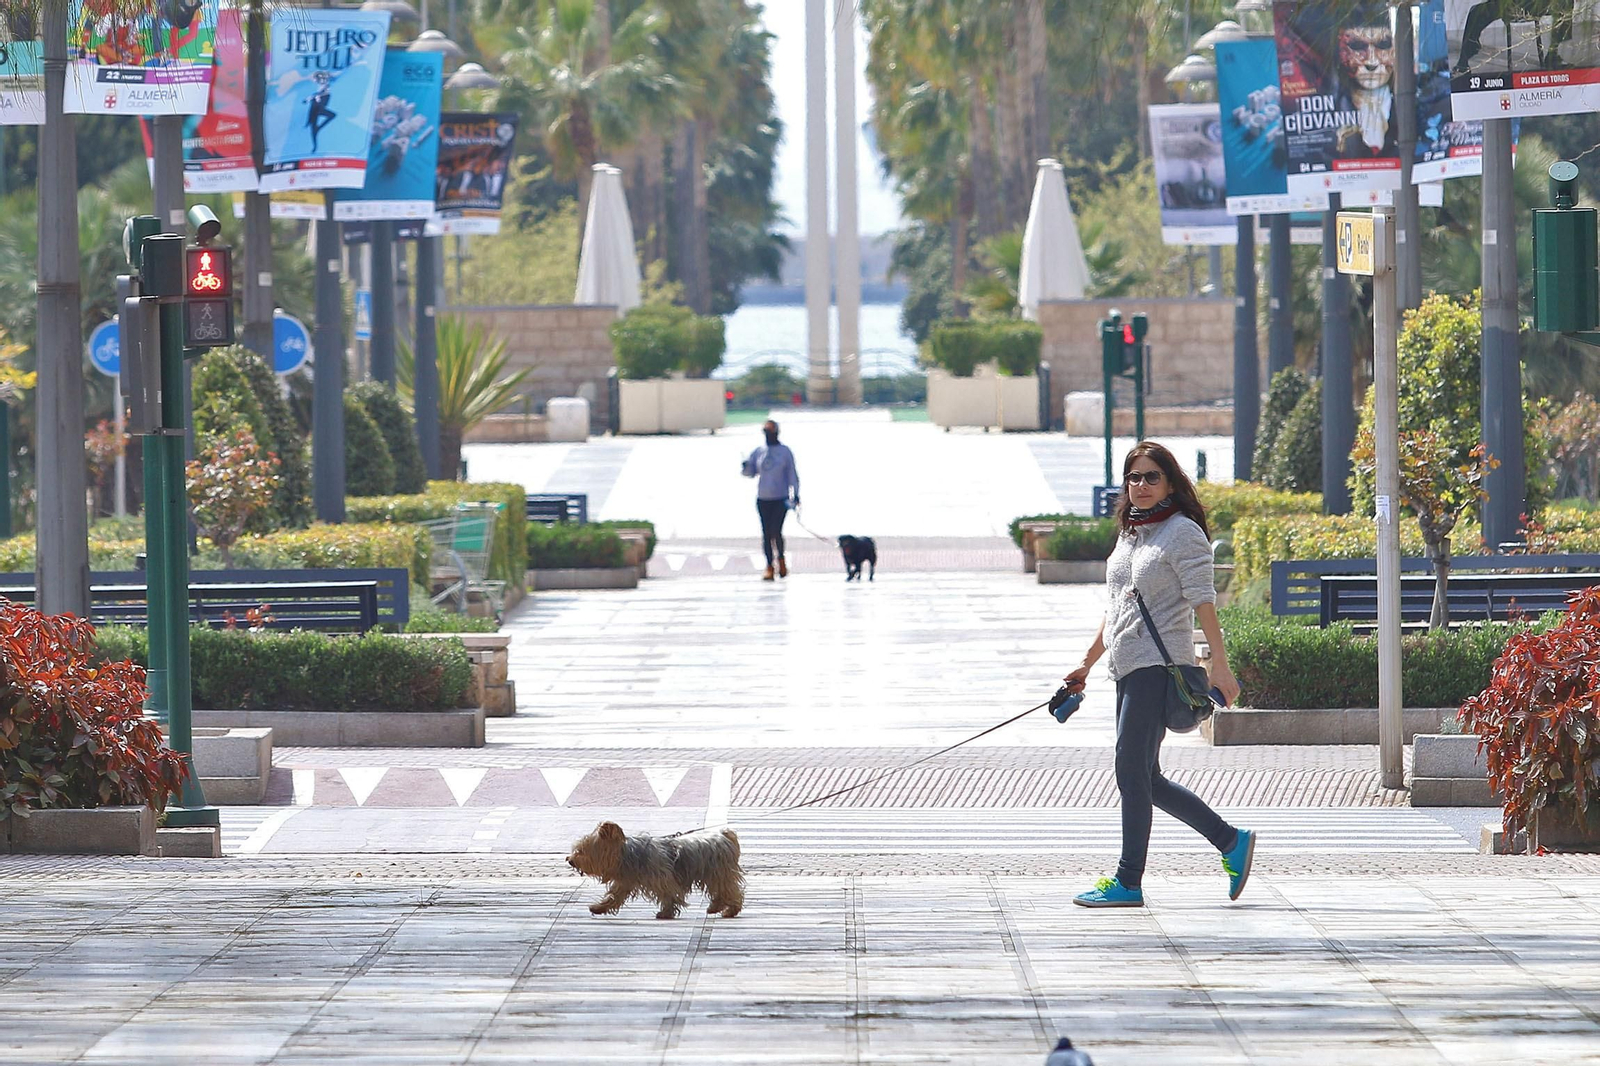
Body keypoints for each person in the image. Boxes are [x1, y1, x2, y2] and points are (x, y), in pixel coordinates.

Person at [1061, 441, 1251, 908]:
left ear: (1170, 482)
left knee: (1131, 771)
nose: (1140, 486)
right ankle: (1231, 841)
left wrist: (1218, 666)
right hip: (1126, 666)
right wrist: (1086, 663)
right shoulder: (1132, 534)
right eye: (1133, 477)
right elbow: (1119, 606)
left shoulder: (1182, 532)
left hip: (1158, 667)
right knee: (1146, 775)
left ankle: (1128, 881)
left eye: (1151, 477)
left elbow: (1204, 601)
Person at [741, 420, 799, 581]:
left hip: (780, 498)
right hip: (763, 498)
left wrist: (796, 494)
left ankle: (781, 559)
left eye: (771, 433)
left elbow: (792, 475)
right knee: (766, 533)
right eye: (766, 433)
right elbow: (750, 473)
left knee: (776, 531)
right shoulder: (759, 451)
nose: (768, 436)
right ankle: (769, 565)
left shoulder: (785, 451)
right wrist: (745, 466)